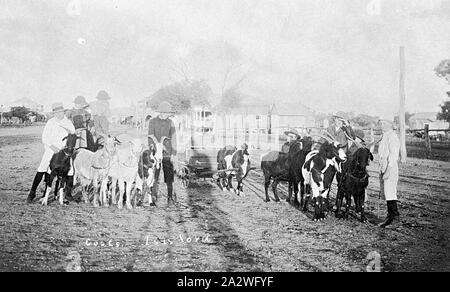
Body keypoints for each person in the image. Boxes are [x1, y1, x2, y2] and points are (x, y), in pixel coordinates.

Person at [27, 103, 75, 203]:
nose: (59, 114)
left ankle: (68, 194)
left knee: (70, 170)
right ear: (54, 113)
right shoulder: (50, 122)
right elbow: (45, 137)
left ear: (63, 112)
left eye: (60, 112)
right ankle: (32, 192)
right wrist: (52, 147)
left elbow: (72, 136)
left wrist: (65, 148)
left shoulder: (68, 123)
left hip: (64, 152)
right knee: (42, 168)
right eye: (56, 112)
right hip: (51, 149)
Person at [148, 101, 177, 205]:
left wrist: (173, 153)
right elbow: (150, 136)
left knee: (169, 176)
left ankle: (170, 197)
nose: (168, 115)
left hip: (167, 154)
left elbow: (174, 138)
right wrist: (152, 151)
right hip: (155, 154)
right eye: (167, 113)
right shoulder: (152, 122)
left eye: (169, 113)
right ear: (161, 112)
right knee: (154, 176)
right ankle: (153, 196)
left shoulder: (171, 123)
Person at [377, 119, 401, 228]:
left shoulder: (393, 136)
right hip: (383, 166)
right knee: (386, 192)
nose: (382, 125)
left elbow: (393, 155)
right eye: (381, 123)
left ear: (391, 125)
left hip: (390, 167)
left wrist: (388, 170)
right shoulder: (385, 136)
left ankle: (395, 218)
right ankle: (389, 217)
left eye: (385, 123)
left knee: (390, 192)